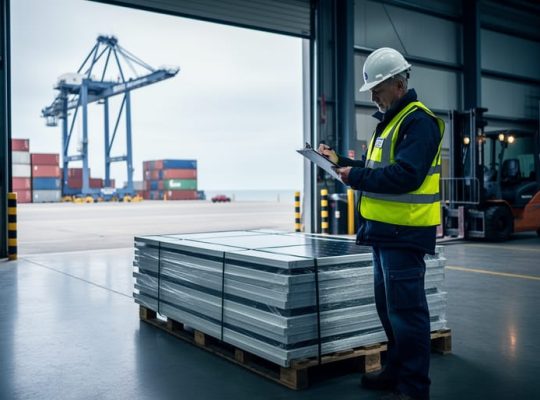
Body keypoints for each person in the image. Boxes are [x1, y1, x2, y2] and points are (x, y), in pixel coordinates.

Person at [319, 47, 444, 400]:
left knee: (407, 314)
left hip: (404, 234)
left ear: (399, 85)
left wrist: (353, 177)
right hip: (383, 233)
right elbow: (376, 170)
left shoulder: (418, 122)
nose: (373, 96)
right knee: (389, 310)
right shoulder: (389, 123)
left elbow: (405, 175)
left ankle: (415, 388)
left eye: (377, 88)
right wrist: (339, 160)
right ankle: (395, 370)